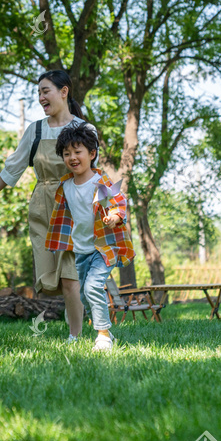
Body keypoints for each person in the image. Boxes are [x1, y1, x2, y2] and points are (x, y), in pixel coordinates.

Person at [0, 70, 97, 341]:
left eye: (46, 91)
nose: (41, 97)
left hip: (71, 205)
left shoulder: (85, 130)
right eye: (38, 92)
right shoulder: (36, 130)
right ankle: (83, 311)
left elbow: (91, 173)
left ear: (64, 92)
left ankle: (75, 336)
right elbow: (13, 168)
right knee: (50, 281)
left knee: (69, 277)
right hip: (41, 207)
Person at [46, 123, 134, 351]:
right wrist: (57, 241)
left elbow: (118, 202)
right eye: (67, 154)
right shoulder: (65, 185)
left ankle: (103, 335)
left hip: (103, 247)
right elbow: (62, 217)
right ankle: (105, 332)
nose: (72, 158)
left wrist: (115, 216)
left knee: (93, 287)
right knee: (85, 295)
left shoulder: (100, 182)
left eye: (78, 152)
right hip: (81, 250)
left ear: (92, 154)